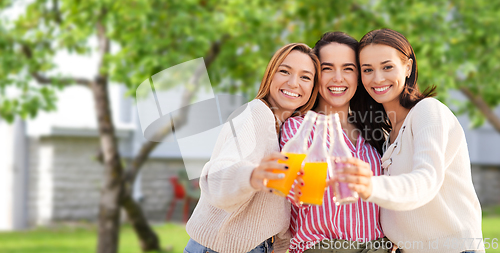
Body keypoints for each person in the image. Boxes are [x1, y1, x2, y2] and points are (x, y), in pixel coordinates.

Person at [337, 28, 483, 253]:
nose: (377, 78)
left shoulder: (428, 112)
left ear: (408, 67)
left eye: (387, 67)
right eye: (368, 70)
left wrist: (371, 185)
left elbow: (426, 181)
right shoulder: (388, 133)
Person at [185, 43, 321, 253]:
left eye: (305, 77)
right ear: (270, 76)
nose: (294, 83)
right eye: (284, 71)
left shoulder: (287, 129)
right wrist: (253, 176)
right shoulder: (257, 113)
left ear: (313, 87)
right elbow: (219, 171)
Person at [280, 32, 391, 253]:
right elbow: (292, 188)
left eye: (348, 69)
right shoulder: (298, 128)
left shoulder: (375, 134)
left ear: (358, 77)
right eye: (327, 68)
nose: (338, 78)